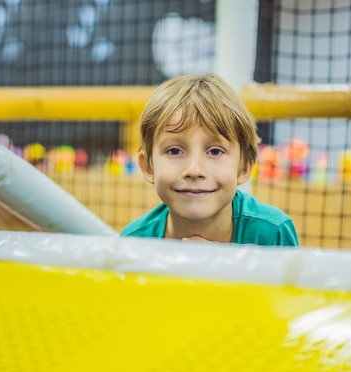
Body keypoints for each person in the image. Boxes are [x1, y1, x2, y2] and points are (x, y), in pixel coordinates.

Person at [120, 73, 299, 246]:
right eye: (174, 151)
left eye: (215, 152)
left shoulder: (273, 233)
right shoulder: (133, 242)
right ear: (148, 167)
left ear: (245, 167)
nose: (194, 170)